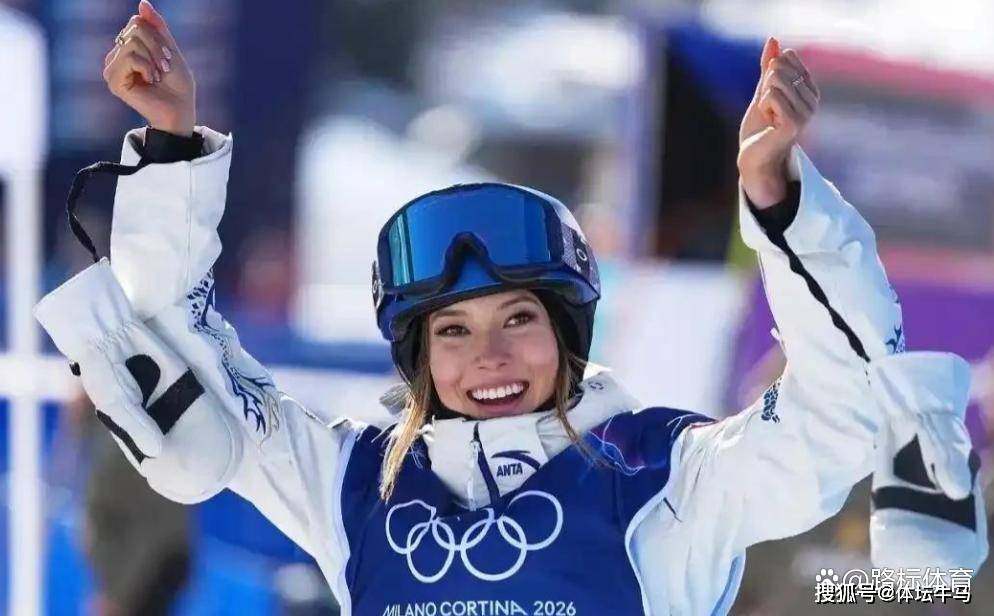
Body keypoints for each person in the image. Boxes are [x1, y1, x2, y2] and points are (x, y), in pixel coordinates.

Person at [36, 1, 986, 613]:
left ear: (568, 335)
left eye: (519, 320)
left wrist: (778, 199)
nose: (487, 355)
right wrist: (170, 146)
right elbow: (180, 360)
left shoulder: (666, 479)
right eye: (451, 331)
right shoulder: (350, 484)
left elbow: (839, 414)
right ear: (417, 360)